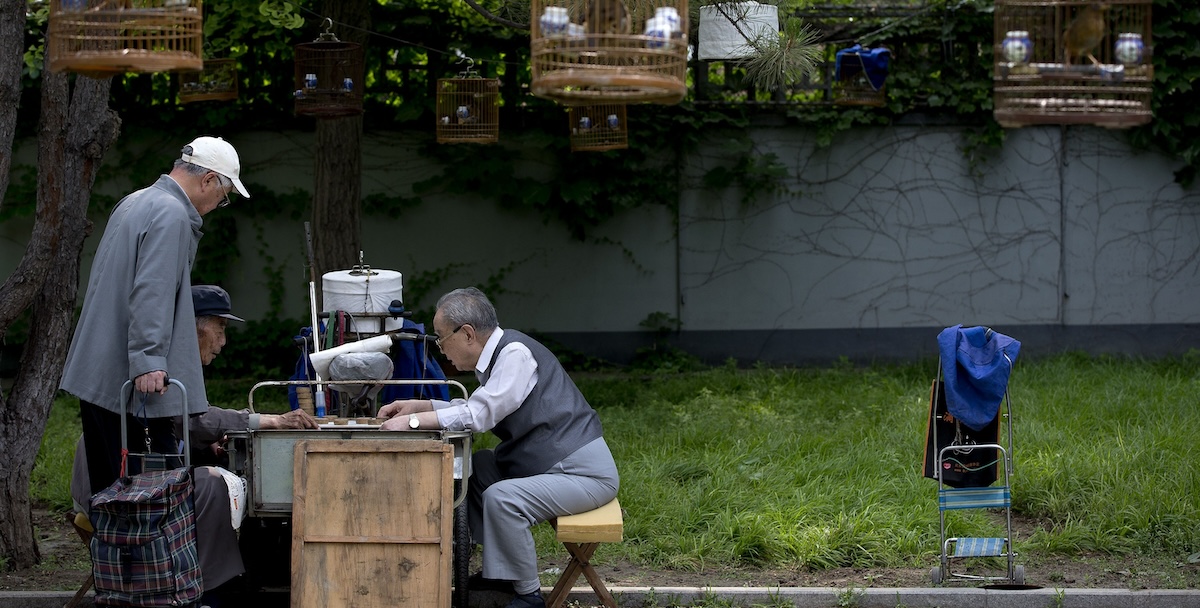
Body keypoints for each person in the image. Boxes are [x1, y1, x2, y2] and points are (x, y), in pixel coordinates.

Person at [71, 284, 319, 604]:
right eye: (220, 328)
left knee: (212, 477)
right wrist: (266, 420)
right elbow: (190, 419)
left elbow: (174, 427)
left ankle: (215, 579)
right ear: (196, 327)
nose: (223, 341)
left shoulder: (167, 361)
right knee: (214, 485)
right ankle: (210, 589)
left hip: (125, 479)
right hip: (113, 488)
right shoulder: (159, 365)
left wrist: (204, 450)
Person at [377, 287, 619, 608]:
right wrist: (417, 407)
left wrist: (413, 423)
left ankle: (528, 594)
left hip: (586, 475)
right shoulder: (499, 356)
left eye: (440, 337)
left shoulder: (514, 354)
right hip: (551, 464)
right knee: (480, 469)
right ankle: (501, 575)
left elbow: (478, 415)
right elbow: (478, 405)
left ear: (467, 334)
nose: (439, 348)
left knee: (501, 498)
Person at [60, 136, 250, 497]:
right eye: (224, 196)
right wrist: (148, 360)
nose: (218, 205)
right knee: (147, 499)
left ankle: (111, 553)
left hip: (104, 372)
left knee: (110, 492)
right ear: (208, 179)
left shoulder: (136, 201)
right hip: (133, 382)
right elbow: (153, 289)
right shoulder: (173, 213)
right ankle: (138, 555)